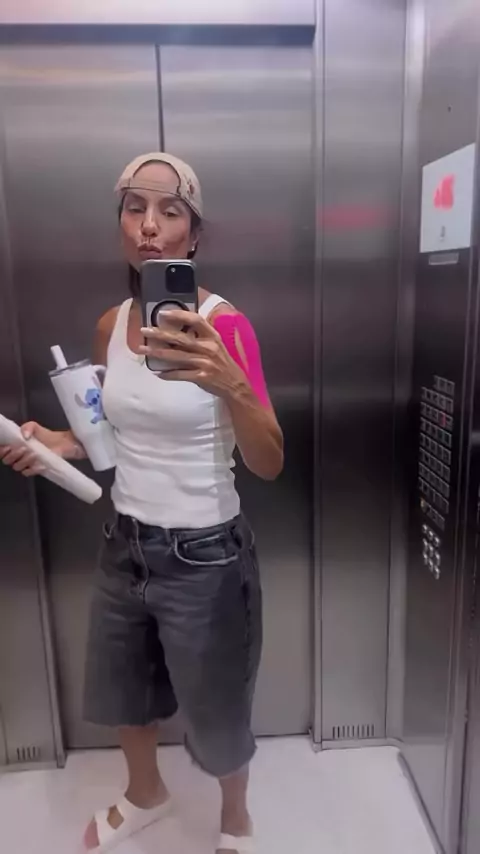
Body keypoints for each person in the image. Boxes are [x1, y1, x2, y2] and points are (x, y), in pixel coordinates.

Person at [0, 153, 284, 854]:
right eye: (135, 208)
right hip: (125, 544)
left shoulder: (225, 325)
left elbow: (270, 461)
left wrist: (230, 381)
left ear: (194, 234)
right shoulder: (110, 325)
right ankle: (146, 794)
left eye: (169, 210)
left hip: (207, 554)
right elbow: (110, 435)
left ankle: (237, 817)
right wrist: (57, 443)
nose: (149, 226)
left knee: (217, 707)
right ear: (121, 225)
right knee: (124, 689)